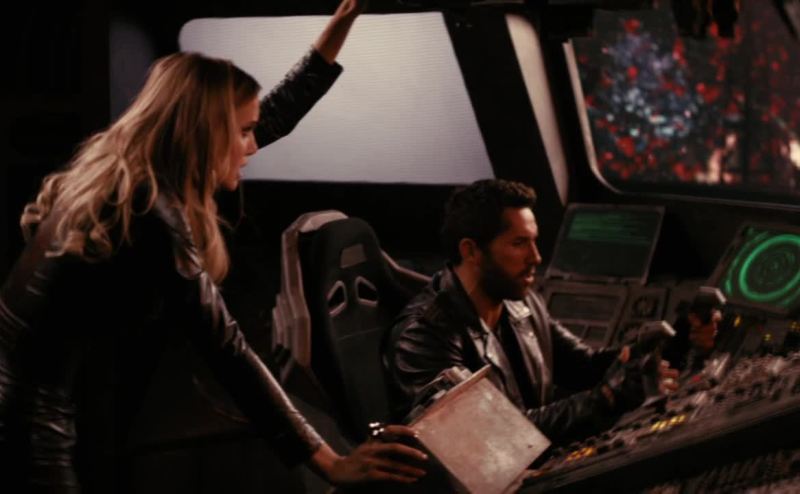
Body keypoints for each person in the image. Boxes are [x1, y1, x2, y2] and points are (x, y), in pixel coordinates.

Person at [0, 1, 428, 491]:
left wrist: (342, 23)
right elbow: (228, 349)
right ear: (204, 133)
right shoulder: (151, 211)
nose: (252, 145)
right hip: (29, 421)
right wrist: (332, 463)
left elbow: (274, 116)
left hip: (37, 400)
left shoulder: (128, 167)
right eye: (242, 132)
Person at [385, 179, 678, 444]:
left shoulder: (520, 303)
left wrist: (652, 352)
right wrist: (607, 398)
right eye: (519, 243)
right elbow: (491, 437)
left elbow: (583, 366)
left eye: (534, 241)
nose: (536, 258)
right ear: (471, 251)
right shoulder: (423, 337)